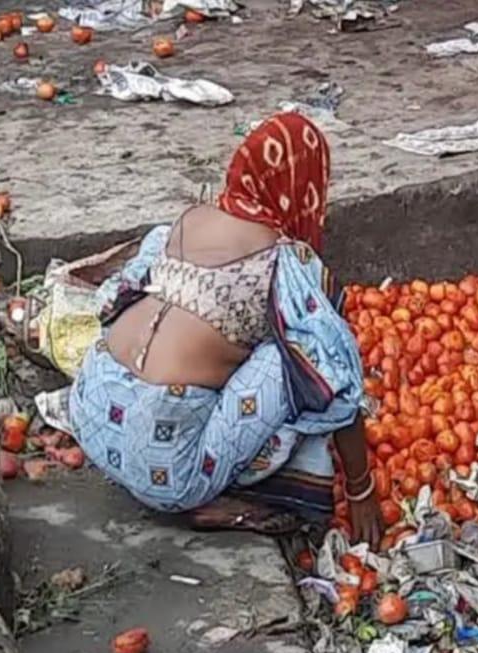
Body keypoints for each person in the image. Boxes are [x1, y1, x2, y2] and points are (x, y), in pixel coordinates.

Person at [69, 113, 383, 549]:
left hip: (89, 410)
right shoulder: (285, 262)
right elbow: (337, 381)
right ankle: (225, 497)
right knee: (299, 362)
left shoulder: (183, 222)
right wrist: (361, 490)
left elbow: (112, 300)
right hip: (165, 472)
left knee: (244, 336)